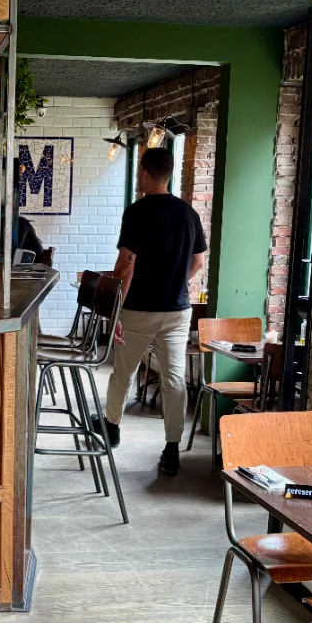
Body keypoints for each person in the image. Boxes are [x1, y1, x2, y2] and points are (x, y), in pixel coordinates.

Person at [97, 147, 207, 475]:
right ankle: (172, 449)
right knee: (174, 380)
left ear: (145, 174)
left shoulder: (137, 212)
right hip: (177, 311)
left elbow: (125, 266)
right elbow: (198, 262)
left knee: (124, 372)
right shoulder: (189, 214)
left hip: (139, 310)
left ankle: (112, 427)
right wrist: (174, 281)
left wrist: (115, 311)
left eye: (139, 173)